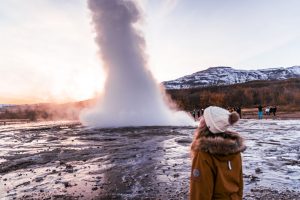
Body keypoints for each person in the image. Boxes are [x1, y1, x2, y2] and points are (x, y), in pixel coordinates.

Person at [190, 106, 246, 200]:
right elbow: (240, 186)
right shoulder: (235, 150)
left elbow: (200, 194)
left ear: (207, 125)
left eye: (203, 118)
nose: (200, 119)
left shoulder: (204, 154)